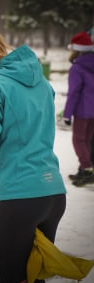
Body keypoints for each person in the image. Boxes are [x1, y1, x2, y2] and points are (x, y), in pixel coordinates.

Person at [0, 25, 67, 283]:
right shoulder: (40, 80)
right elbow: (29, 126)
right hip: (53, 191)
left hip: (20, 196)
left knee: (13, 278)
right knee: (33, 275)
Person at [61, 31, 94, 186]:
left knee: (78, 140)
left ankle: (87, 169)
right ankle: (84, 169)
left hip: (83, 111)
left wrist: (67, 115)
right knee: (86, 140)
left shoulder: (77, 68)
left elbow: (73, 93)